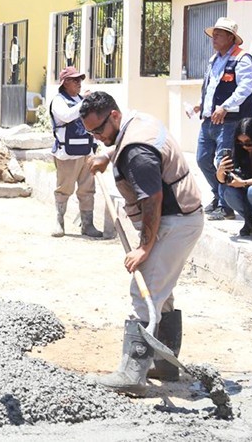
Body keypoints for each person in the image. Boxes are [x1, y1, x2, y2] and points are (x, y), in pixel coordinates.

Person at [83, 91, 204, 394]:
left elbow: (152, 200)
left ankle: (131, 374)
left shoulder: (137, 153)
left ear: (113, 115)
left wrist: (144, 247)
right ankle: (164, 365)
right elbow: (122, 142)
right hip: (178, 218)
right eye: (91, 133)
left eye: (99, 130)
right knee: (160, 291)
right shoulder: (138, 121)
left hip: (173, 223)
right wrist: (105, 155)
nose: (97, 136)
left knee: (144, 290)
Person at [193, 17, 252, 221]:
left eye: (219, 34)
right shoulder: (214, 59)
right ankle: (218, 196)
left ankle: (224, 204)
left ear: (231, 37)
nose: (214, 38)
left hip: (229, 121)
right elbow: (211, 88)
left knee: (223, 161)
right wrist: (202, 105)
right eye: (214, 34)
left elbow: (245, 87)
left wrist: (225, 107)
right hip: (209, 119)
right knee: (202, 159)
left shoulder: (242, 58)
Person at [47, 66, 102, 238]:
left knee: (87, 189)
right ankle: (59, 221)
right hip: (67, 154)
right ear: (65, 83)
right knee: (64, 189)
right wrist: (84, 102)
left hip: (86, 152)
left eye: (80, 79)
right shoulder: (58, 101)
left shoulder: (80, 99)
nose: (79, 83)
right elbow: (67, 116)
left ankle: (88, 225)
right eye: (75, 80)